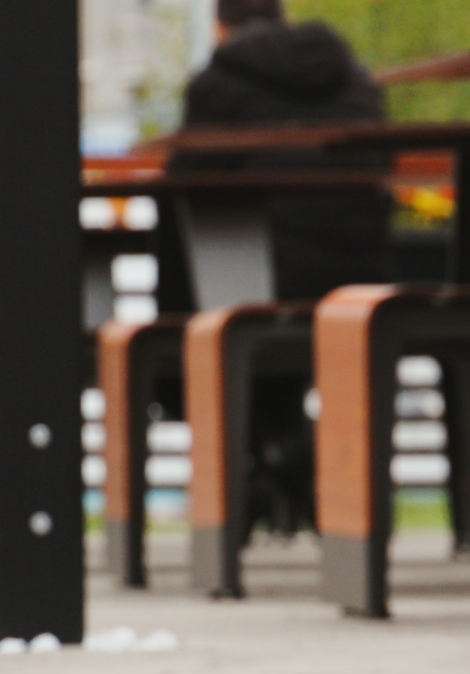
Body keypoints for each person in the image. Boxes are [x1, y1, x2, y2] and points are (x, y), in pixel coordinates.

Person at [173, 0, 394, 538]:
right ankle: (288, 457)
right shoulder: (354, 77)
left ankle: (267, 460)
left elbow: (185, 185)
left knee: (212, 291)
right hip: (361, 278)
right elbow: (383, 164)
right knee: (255, 302)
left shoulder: (216, 84)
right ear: (284, 18)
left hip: (267, 278)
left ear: (220, 26)